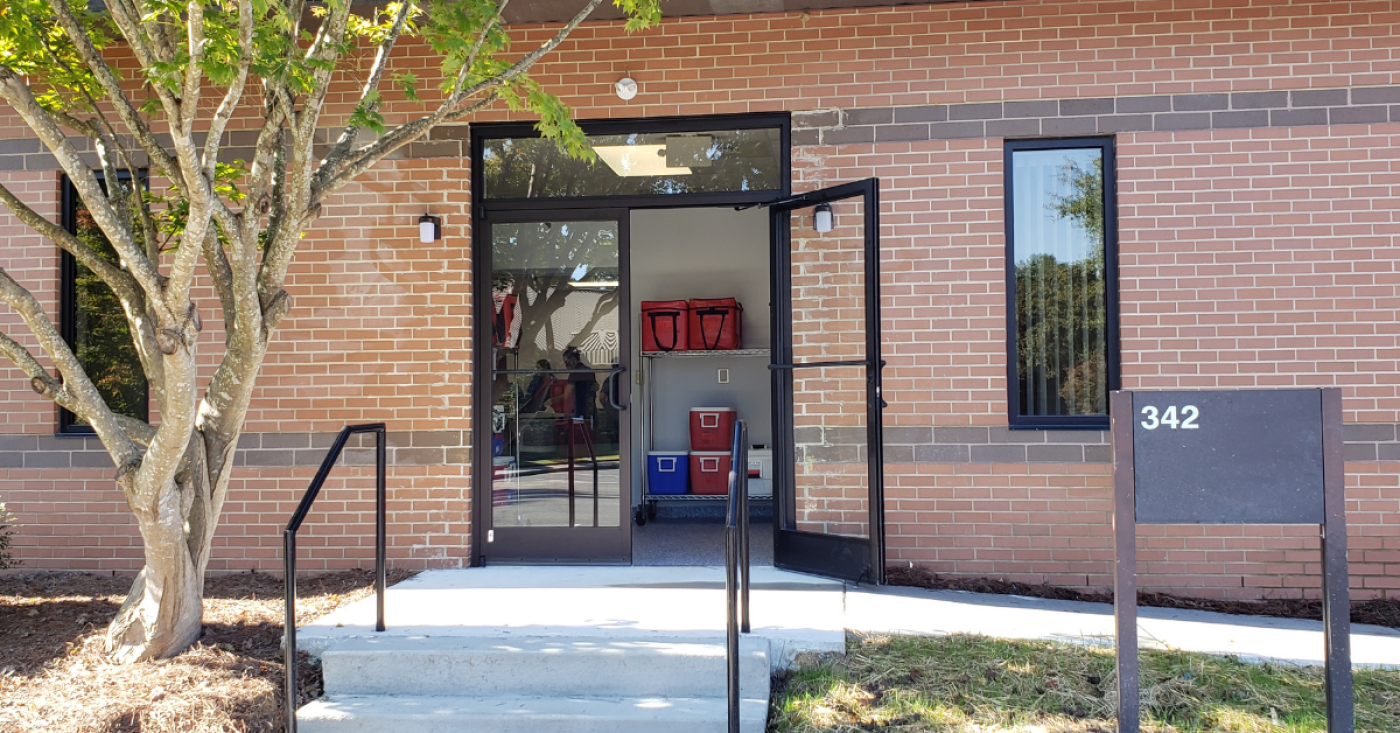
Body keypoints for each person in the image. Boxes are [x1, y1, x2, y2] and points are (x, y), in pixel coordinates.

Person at [561, 346, 597, 421]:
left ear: (572, 359)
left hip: (580, 406)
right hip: (591, 406)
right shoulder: (589, 370)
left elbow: (566, 395)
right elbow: (596, 386)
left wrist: (552, 400)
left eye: (566, 362)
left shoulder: (575, 373)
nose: (566, 365)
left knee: (579, 429)